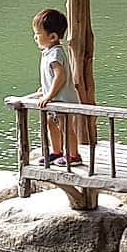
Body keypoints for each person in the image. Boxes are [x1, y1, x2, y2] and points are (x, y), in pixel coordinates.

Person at [29, 8, 82, 166]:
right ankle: (57, 151)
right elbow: (51, 77)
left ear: (52, 37)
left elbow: (60, 76)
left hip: (62, 100)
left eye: (38, 34)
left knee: (66, 127)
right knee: (51, 124)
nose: (35, 37)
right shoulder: (48, 52)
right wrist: (44, 90)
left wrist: (49, 95)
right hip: (54, 99)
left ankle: (74, 155)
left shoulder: (55, 53)